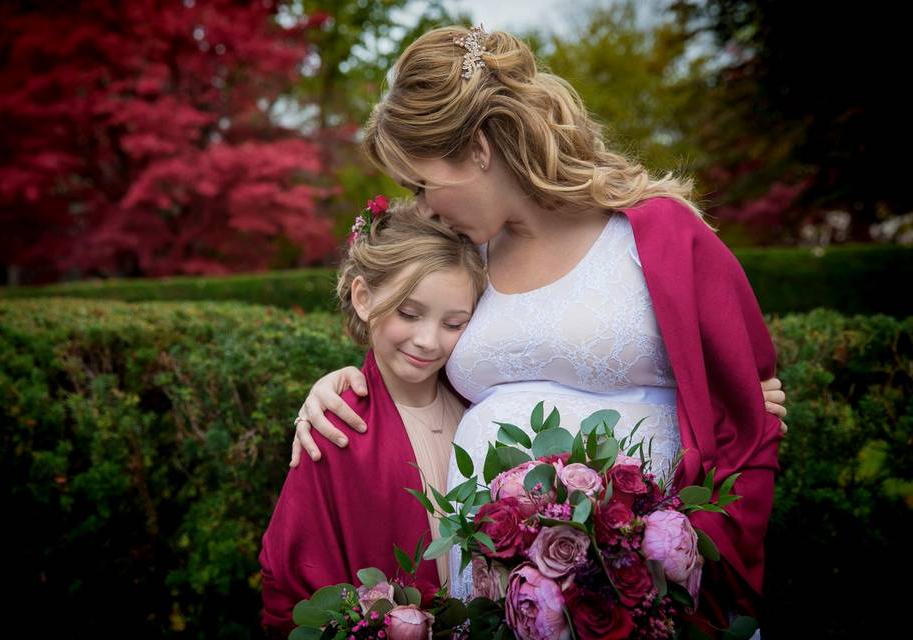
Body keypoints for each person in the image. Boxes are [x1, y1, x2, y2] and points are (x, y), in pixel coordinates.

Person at [288, 25, 788, 638]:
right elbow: (410, 359)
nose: (421, 206)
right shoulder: (465, 258)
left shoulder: (657, 234)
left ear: (477, 148)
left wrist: (683, 561)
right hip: (490, 600)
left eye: (423, 182)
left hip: (644, 595)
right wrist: (340, 382)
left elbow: (749, 417)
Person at [257, 199, 488, 636]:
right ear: (364, 298)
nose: (428, 341)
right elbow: (292, 582)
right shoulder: (336, 428)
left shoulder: (480, 410)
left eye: (454, 323)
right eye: (409, 313)